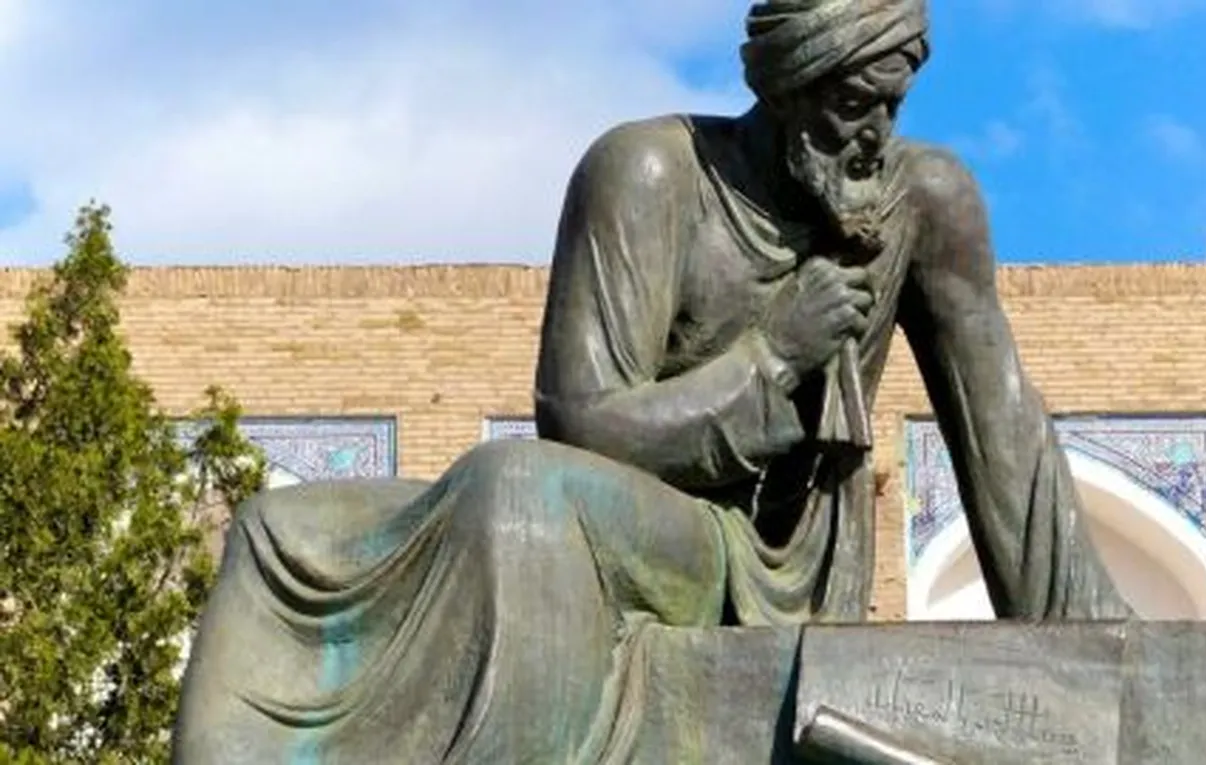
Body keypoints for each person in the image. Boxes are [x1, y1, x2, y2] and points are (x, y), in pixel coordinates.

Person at [172, 1, 1130, 762]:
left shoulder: (924, 201)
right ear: (786, 89)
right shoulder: (648, 172)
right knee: (282, 530)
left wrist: (1114, 650)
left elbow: (1007, 440)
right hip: (662, 517)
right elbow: (583, 422)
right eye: (850, 104)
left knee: (520, 490)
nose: (874, 135)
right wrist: (773, 356)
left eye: (892, 104)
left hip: (766, 566)